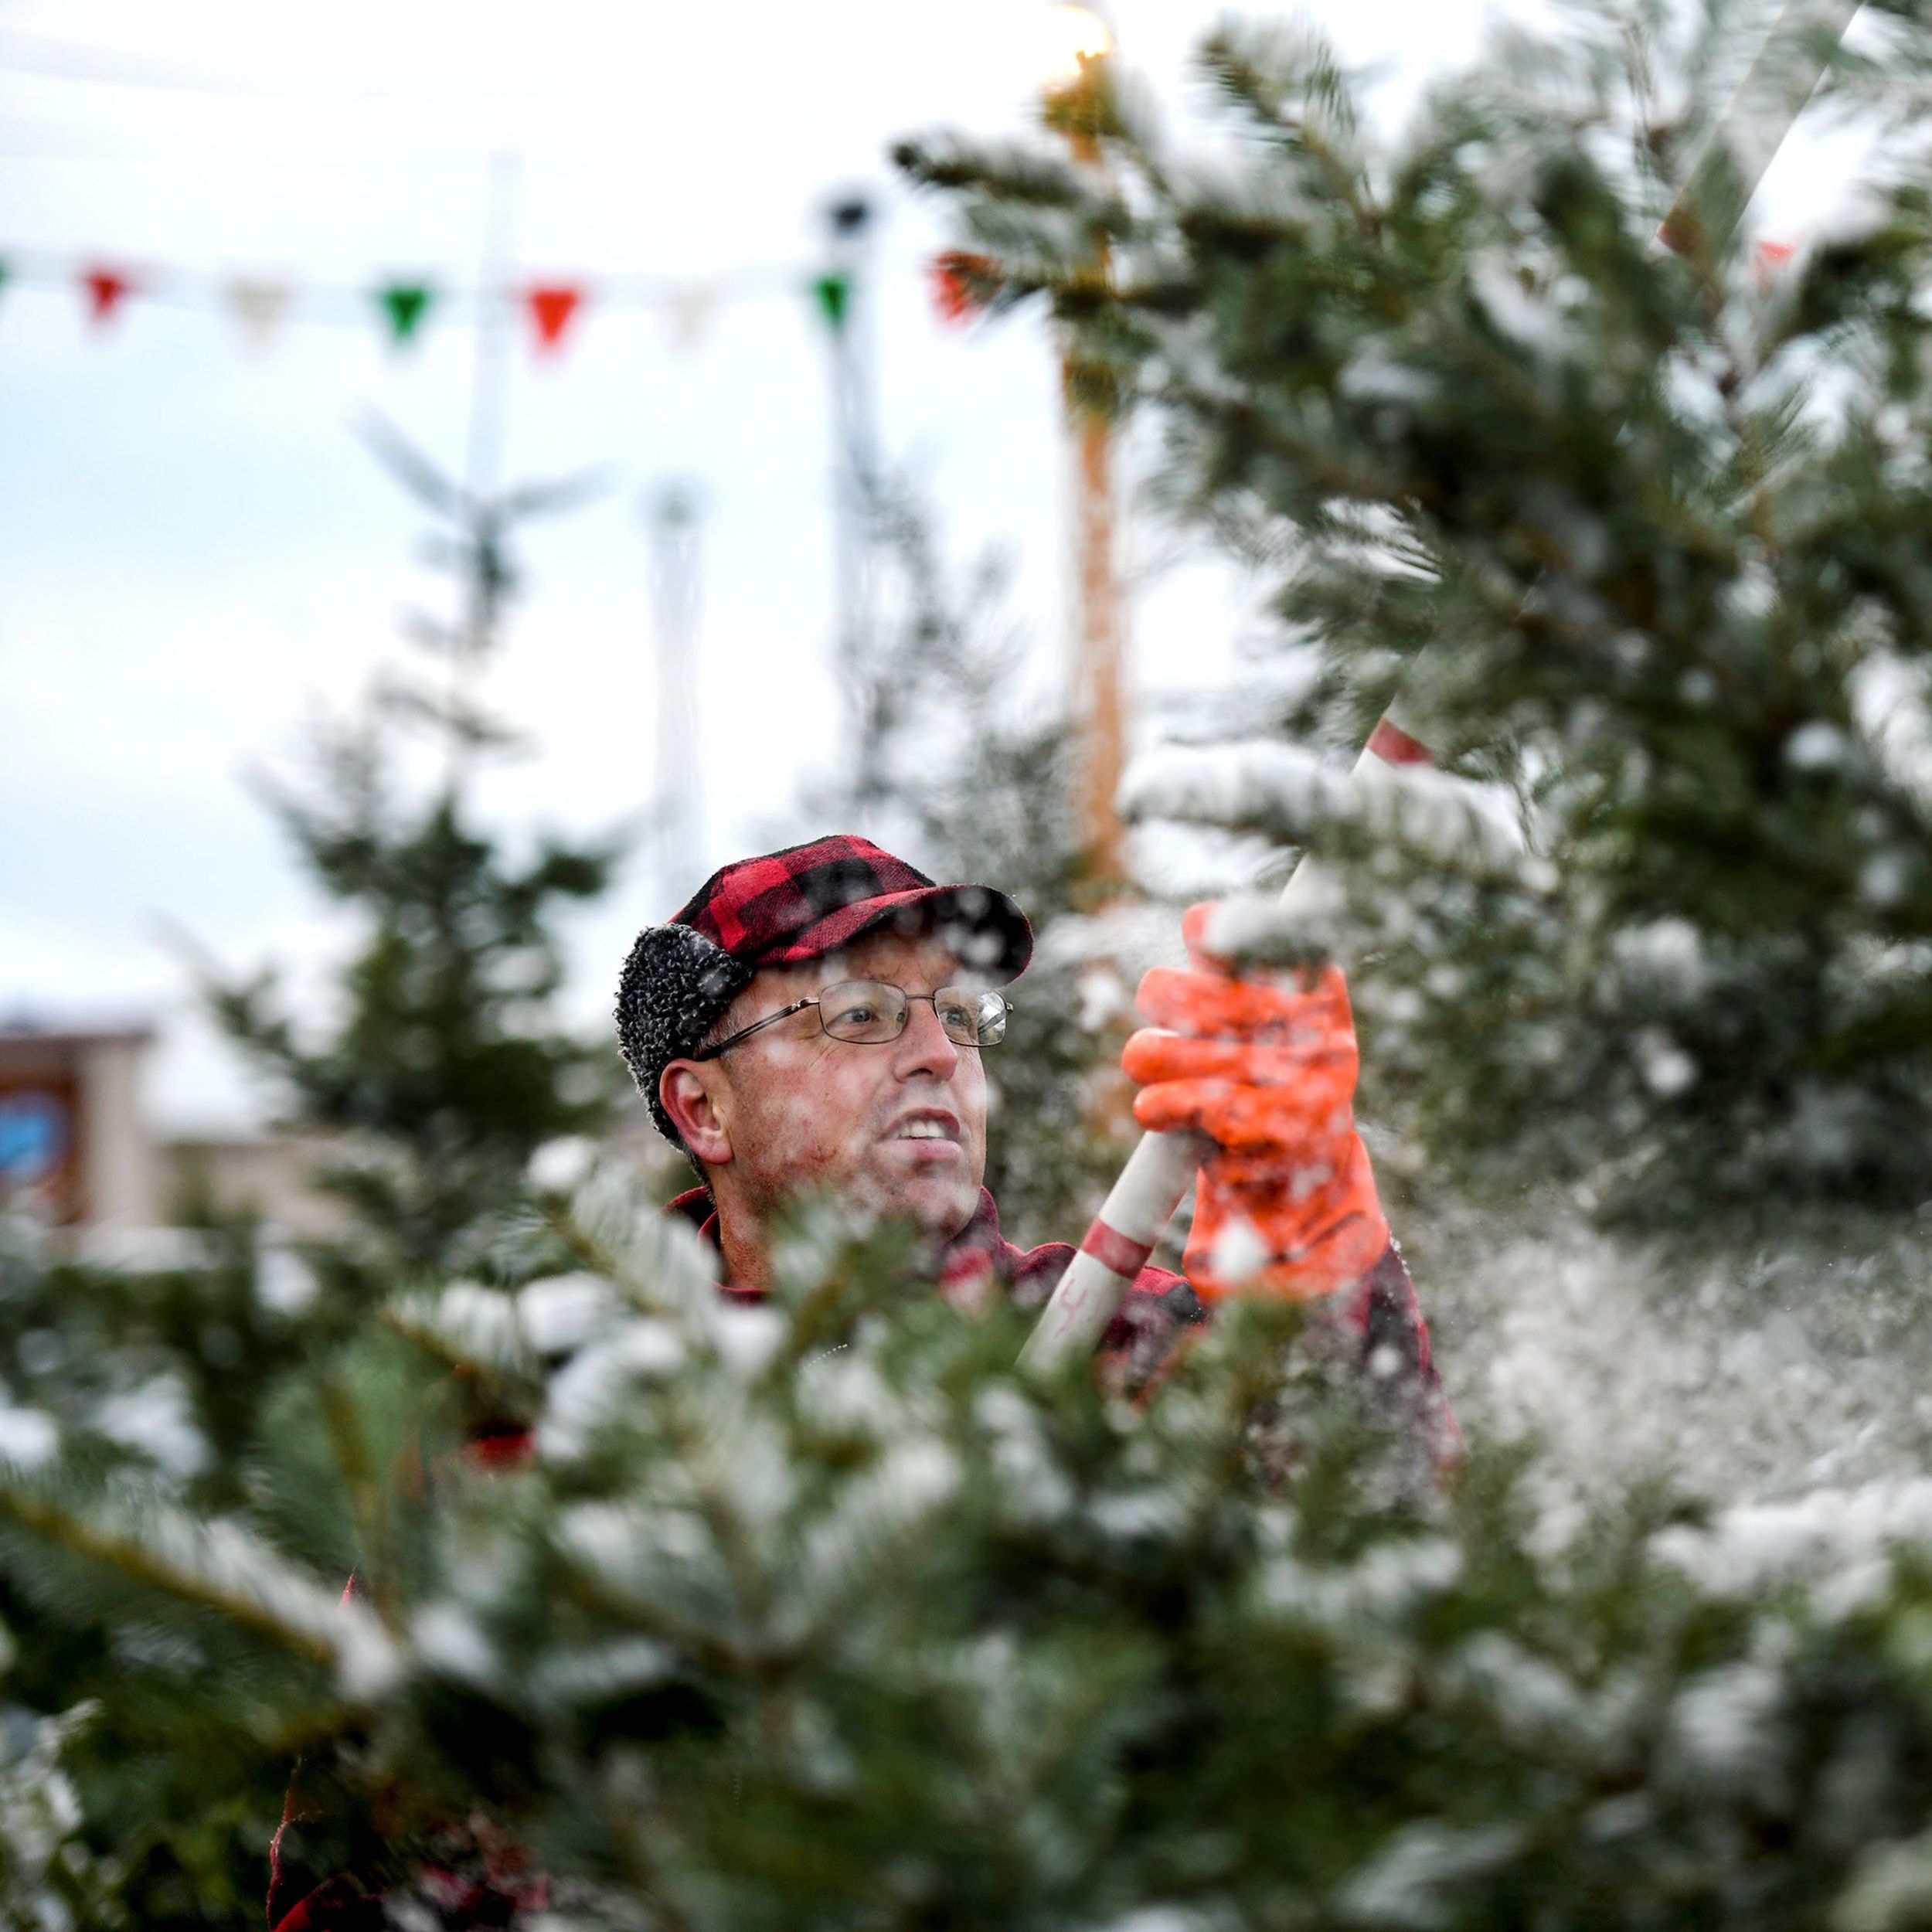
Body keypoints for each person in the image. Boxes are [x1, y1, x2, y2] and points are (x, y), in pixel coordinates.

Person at [270, 832, 1449, 1930]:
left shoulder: (1106, 1352)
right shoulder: (525, 1430)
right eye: (864, 1016)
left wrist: (1317, 1221)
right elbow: (356, 1864)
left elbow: (1374, 1529)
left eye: (959, 1015)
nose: (939, 1053)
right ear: (702, 1106)